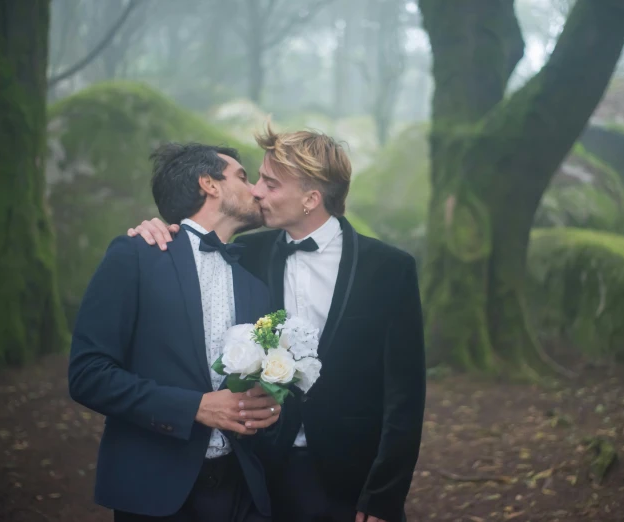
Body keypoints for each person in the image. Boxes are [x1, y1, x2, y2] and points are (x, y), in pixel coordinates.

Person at [129, 126, 426, 522]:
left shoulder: (390, 269)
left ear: (311, 199)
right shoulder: (242, 254)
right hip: (260, 477)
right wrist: (155, 229)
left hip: (352, 481)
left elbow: (405, 396)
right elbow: (191, 247)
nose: (256, 191)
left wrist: (384, 495)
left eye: (270, 183)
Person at [69, 143, 282, 522]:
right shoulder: (135, 255)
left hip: (241, 491)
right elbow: (88, 375)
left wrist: (267, 402)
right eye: (242, 177)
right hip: (154, 489)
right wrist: (194, 408)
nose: (254, 190)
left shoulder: (256, 282)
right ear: (209, 184)